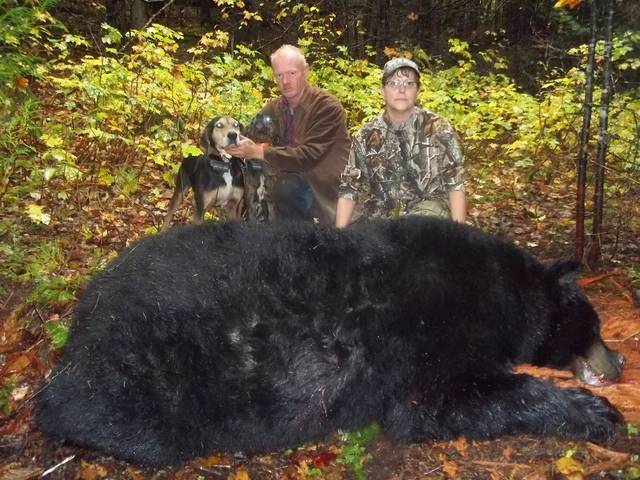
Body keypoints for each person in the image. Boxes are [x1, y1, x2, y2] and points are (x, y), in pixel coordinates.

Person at [335, 58, 466, 228]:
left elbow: (456, 185)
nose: (402, 89)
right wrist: (339, 236)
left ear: (418, 91)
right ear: (383, 91)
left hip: (429, 222)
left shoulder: (439, 128)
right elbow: (349, 189)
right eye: (394, 83)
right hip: (383, 221)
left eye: (409, 84)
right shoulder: (366, 135)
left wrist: (459, 235)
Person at [226, 45, 350, 224]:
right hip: (289, 181)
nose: (285, 81)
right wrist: (229, 142)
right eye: (279, 75)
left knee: (286, 189)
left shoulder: (327, 107)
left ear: (305, 71)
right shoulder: (275, 108)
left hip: (325, 187)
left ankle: (303, 236)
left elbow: (308, 156)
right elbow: (249, 135)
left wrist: (259, 152)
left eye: (292, 73)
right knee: (256, 177)